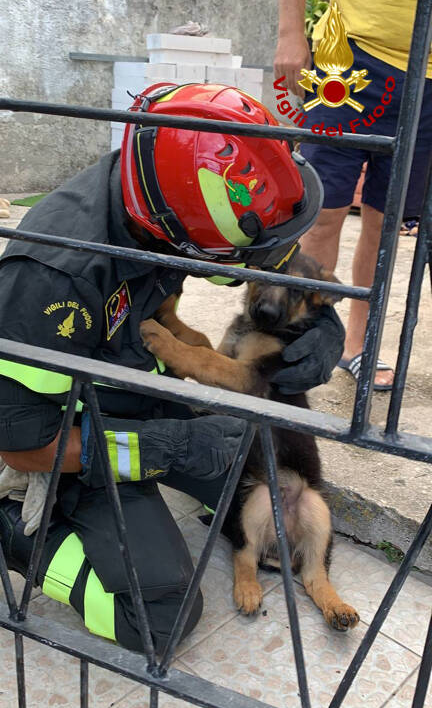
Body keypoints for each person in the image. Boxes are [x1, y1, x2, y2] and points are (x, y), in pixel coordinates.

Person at [0, 82, 345, 653]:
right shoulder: (47, 281)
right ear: (181, 235)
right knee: (160, 618)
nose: (244, 268)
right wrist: (170, 446)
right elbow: (24, 448)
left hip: (142, 393)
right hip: (70, 441)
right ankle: (15, 534)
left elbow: (268, 251)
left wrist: (318, 319)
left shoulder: (168, 192)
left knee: (271, 475)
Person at [274, 0, 432, 390]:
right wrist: (291, 32)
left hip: (429, 80)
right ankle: (304, 335)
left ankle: (356, 344)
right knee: (320, 212)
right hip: (348, 54)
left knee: (385, 223)